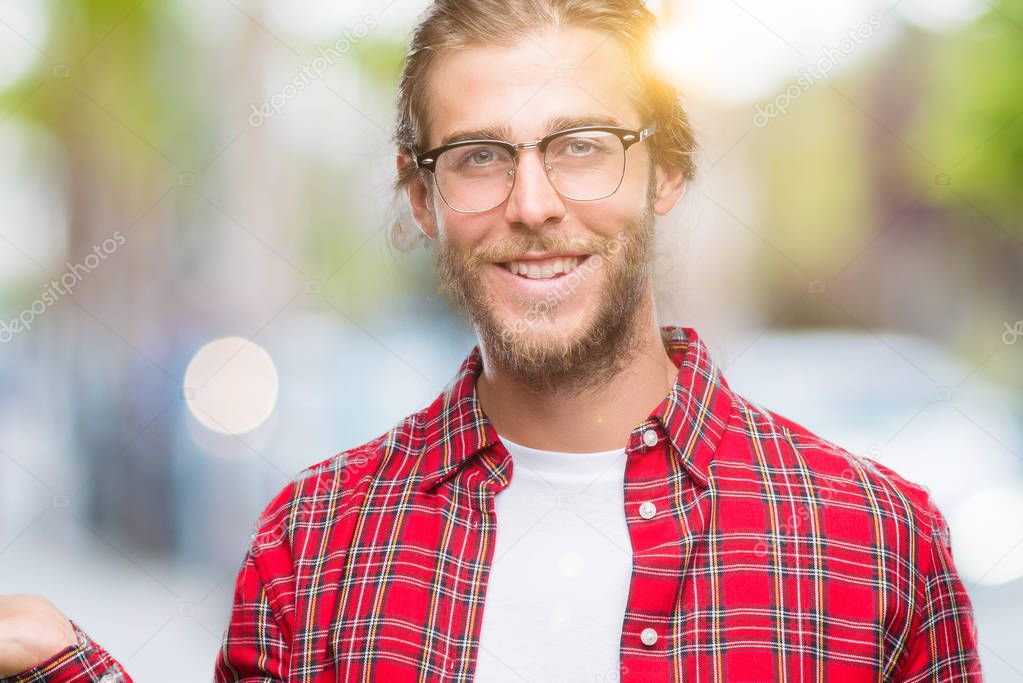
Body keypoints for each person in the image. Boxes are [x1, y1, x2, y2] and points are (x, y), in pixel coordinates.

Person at [0, 0, 982, 681]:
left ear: (666, 172)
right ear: (422, 193)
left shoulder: (878, 540)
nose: (533, 202)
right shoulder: (314, 545)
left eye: (582, 145)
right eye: (480, 157)